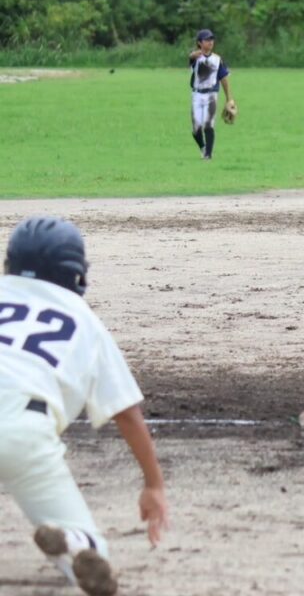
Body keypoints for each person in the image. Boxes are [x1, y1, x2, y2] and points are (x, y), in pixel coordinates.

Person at [0, 216, 170, 595]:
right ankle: (75, 542)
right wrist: (153, 484)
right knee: (93, 548)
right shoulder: (84, 321)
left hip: (22, 428)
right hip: (23, 434)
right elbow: (126, 412)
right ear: (74, 273)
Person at [188, 28, 235, 160]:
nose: (210, 42)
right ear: (199, 42)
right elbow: (191, 57)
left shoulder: (217, 59)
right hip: (197, 94)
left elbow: (224, 78)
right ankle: (203, 147)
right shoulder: (196, 58)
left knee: (208, 125)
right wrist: (194, 54)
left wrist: (229, 99)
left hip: (211, 95)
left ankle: (208, 155)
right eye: (207, 40)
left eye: (211, 39)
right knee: (196, 128)